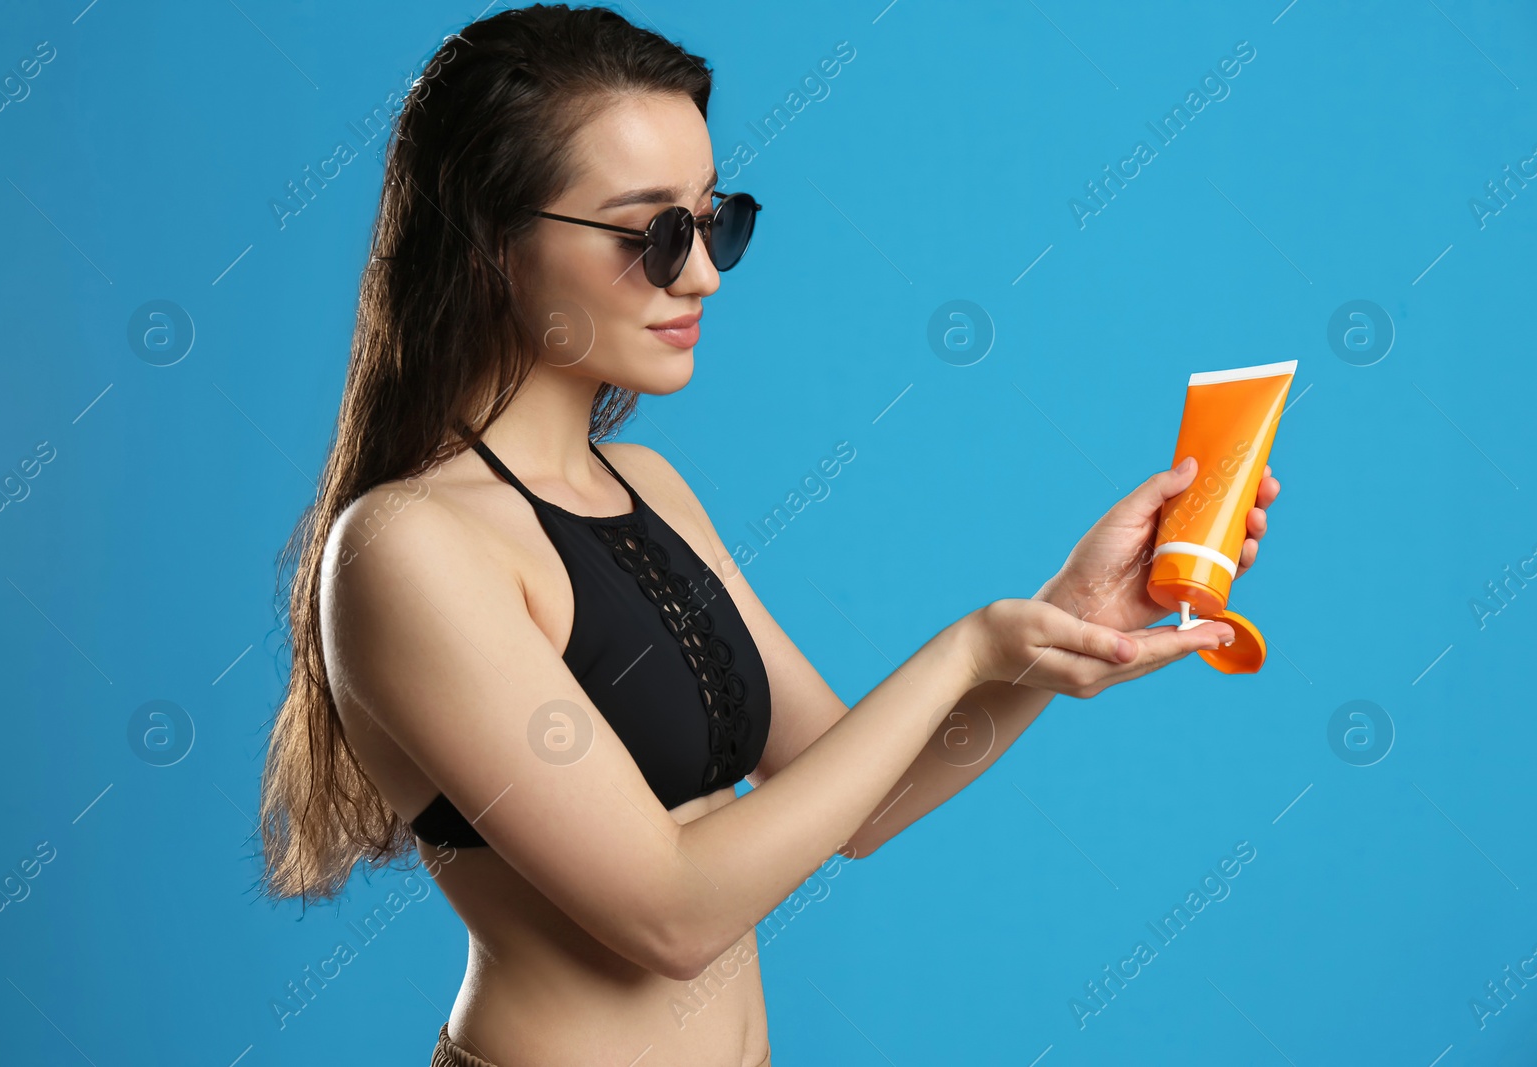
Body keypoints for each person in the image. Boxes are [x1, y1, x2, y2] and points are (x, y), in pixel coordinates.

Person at [253, 6, 1281, 1065]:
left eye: (712, 222)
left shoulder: (646, 484)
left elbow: (857, 802)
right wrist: (966, 646)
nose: (700, 274)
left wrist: (1061, 625)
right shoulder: (406, 549)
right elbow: (672, 914)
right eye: (651, 234)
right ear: (490, 241)